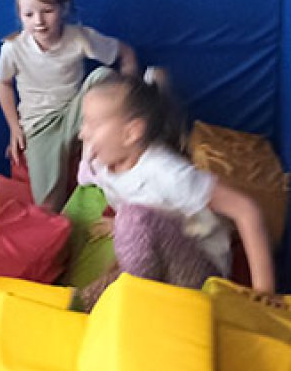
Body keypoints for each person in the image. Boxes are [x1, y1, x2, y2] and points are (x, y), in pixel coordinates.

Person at [77, 72, 275, 308]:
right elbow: (138, 202)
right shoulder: (102, 162)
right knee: (81, 300)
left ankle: (134, 300)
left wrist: (264, 291)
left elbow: (246, 209)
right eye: (84, 122)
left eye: (93, 125)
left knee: (131, 219)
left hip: (199, 270)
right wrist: (120, 226)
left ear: (131, 133)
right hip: (160, 249)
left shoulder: (168, 173)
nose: (82, 133)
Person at [0, 0, 137, 210]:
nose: (39, 21)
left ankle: (91, 163)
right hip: (40, 125)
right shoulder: (13, 48)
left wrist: (131, 94)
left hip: (76, 114)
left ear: (63, 8)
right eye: (29, 14)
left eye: (47, 11)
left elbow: (126, 53)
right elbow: (3, 83)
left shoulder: (78, 38)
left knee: (102, 76)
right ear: (20, 15)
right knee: (47, 205)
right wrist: (14, 126)